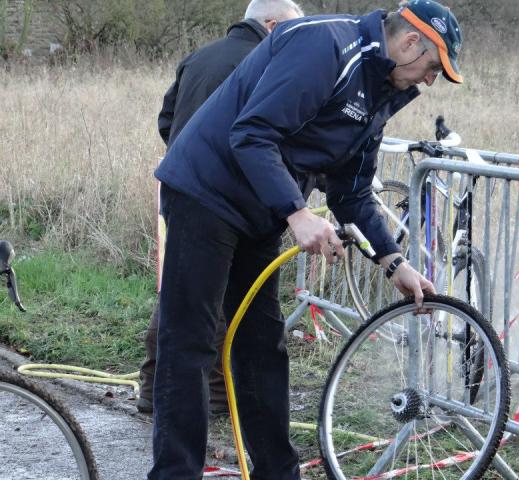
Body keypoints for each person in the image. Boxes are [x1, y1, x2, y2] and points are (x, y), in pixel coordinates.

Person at [149, 0, 464, 478]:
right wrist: (297, 213)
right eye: (433, 67)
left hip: (259, 209)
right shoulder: (327, 46)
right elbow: (252, 133)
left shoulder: (381, 89)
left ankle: (279, 472)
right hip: (205, 192)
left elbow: (352, 189)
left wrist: (394, 260)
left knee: (261, 346)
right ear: (410, 42)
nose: (430, 80)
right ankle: (175, 473)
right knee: (190, 341)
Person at [136, 0, 304, 415]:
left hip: (181, 184)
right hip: (229, 195)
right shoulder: (266, 64)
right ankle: (214, 392)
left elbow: (166, 118)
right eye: (292, 33)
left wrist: (186, 158)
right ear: (271, 25)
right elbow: (261, 136)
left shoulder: (200, 56)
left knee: (181, 289)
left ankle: (151, 387)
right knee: (220, 294)